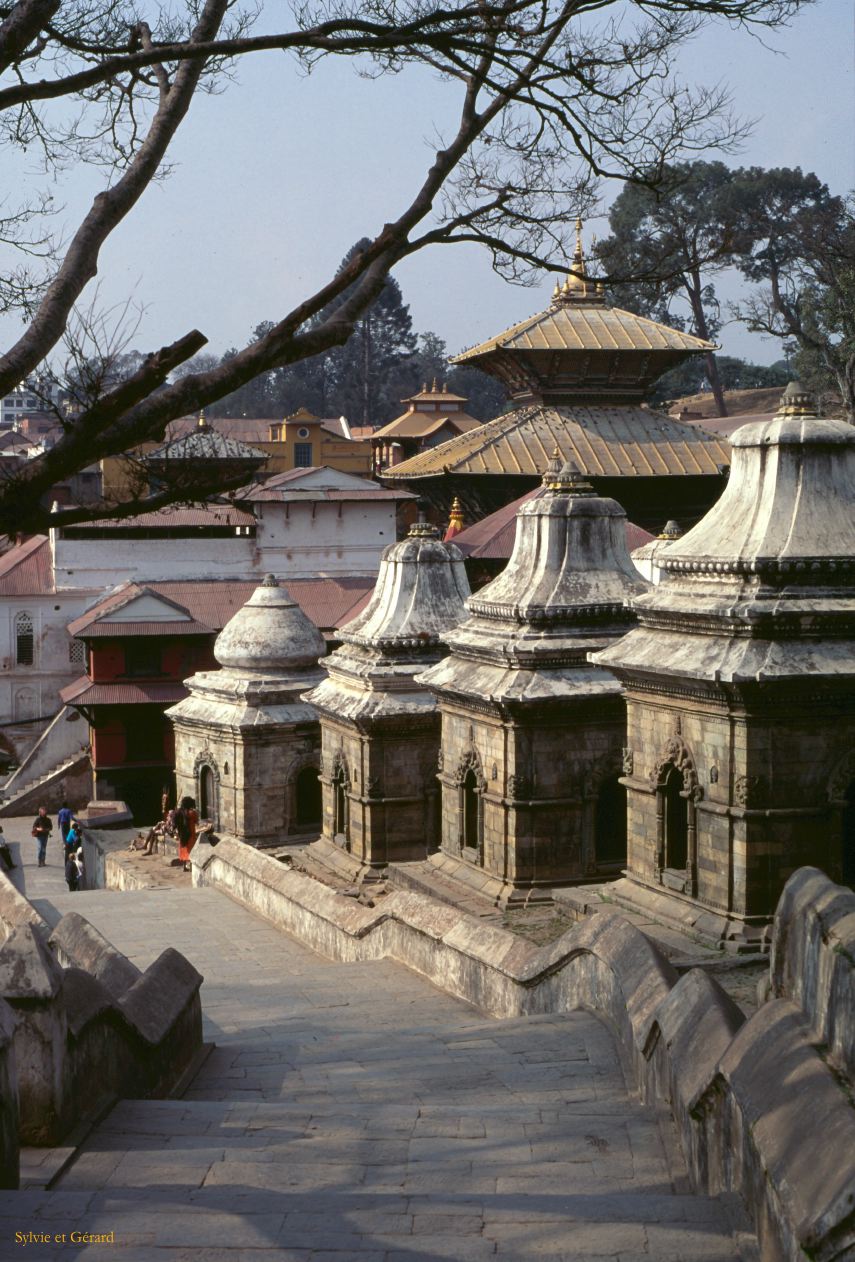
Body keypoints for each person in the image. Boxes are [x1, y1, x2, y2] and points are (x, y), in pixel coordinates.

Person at [174, 796, 198, 872]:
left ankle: (184, 866)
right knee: (191, 849)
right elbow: (196, 821)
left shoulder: (179, 811)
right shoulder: (192, 813)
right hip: (190, 834)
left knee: (183, 848)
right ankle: (191, 867)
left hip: (182, 833)